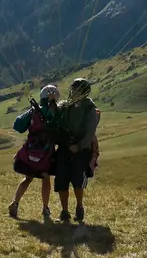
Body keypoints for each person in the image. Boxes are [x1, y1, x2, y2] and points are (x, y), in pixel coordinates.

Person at [9, 84, 60, 220]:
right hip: (47, 153)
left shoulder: (34, 111)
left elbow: (18, 125)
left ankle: (15, 203)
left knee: (28, 178)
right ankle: (45, 208)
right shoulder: (55, 111)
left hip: (31, 150)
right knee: (45, 178)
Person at [53, 77, 100, 224]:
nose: (73, 91)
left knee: (77, 180)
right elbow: (56, 110)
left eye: (76, 89)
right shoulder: (66, 105)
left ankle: (79, 206)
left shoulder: (90, 109)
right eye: (72, 89)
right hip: (64, 147)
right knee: (61, 179)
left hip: (81, 150)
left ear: (83, 92)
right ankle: (65, 211)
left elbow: (90, 133)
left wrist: (79, 146)